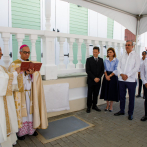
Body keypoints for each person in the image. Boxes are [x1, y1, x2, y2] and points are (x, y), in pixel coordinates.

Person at [8, 44, 48, 140]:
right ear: (20, 52)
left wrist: (33, 74)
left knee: (31, 112)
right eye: (25, 52)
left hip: (30, 92)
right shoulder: (14, 64)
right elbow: (11, 78)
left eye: (28, 52)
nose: (27, 54)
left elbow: (37, 77)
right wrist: (25, 73)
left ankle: (32, 130)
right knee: (22, 113)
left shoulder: (31, 63)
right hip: (20, 94)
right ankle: (21, 133)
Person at [114, 40, 140, 120]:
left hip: (131, 80)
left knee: (131, 98)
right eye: (126, 45)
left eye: (129, 45)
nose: (127, 46)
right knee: (122, 96)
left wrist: (127, 75)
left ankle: (130, 113)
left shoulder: (136, 55)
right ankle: (122, 110)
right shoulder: (122, 56)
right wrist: (121, 74)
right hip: (121, 80)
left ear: (132, 46)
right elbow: (118, 67)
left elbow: (136, 67)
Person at [0, 47, 20, 147]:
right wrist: (15, 73)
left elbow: (7, 77)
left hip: (5, 99)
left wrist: (15, 74)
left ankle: (9, 141)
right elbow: (2, 81)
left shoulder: (2, 67)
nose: (1, 53)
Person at [86, 46, 104, 113]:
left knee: (96, 94)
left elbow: (102, 70)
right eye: (93, 52)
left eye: (96, 52)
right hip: (91, 80)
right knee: (90, 94)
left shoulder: (101, 60)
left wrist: (98, 78)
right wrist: (94, 78)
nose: (94, 53)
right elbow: (88, 70)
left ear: (98, 52)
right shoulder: (89, 60)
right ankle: (88, 107)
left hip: (98, 81)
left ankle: (94, 105)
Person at [100, 47, 119, 112]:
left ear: (113, 53)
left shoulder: (116, 60)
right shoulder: (105, 60)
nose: (109, 53)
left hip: (113, 77)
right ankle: (107, 105)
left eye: (110, 52)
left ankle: (111, 106)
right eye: (108, 52)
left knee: (112, 91)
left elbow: (116, 69)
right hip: (106, 76)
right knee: (106, 91)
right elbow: (104, 68)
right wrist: (106, 76)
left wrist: (110, 76)